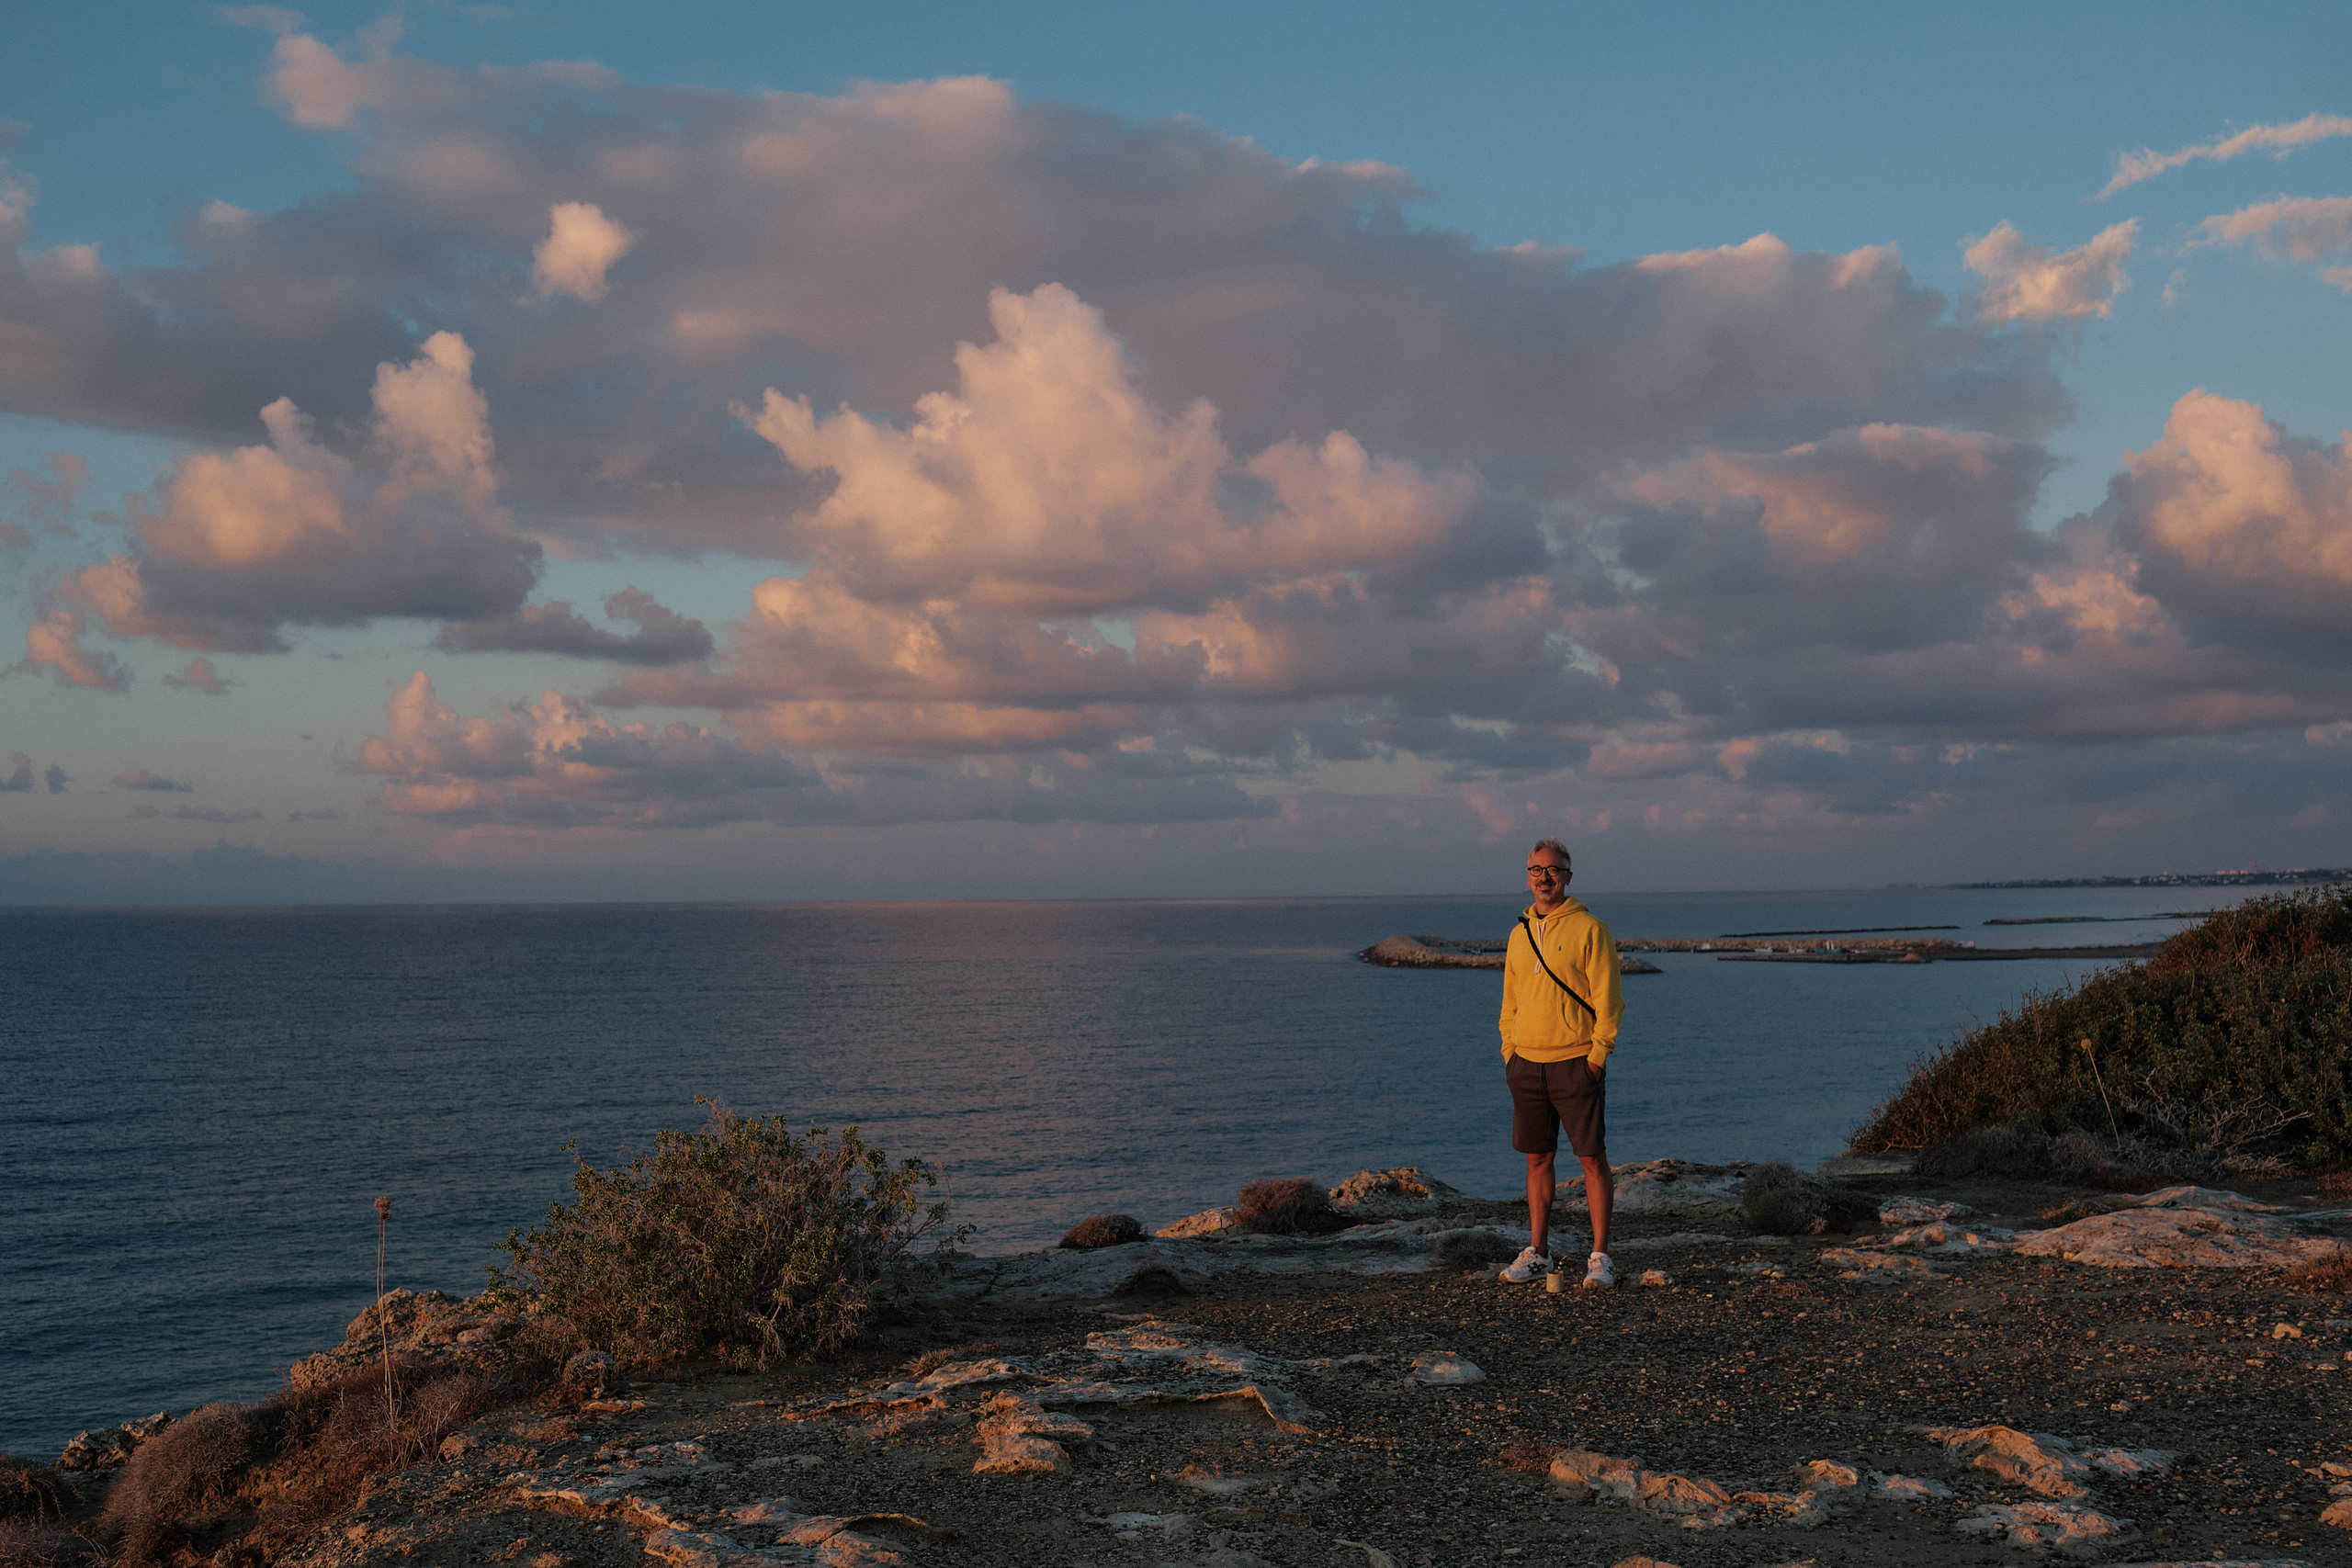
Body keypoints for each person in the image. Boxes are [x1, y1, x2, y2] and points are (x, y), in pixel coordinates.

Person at [1497, 836, 1623, 1288]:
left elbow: (1610, 1001)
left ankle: (1601, 1256)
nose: (1544, 877)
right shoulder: (1518, 934)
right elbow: (1510, 1001)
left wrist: (1596, 1057)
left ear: (1567, 876)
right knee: (1537, 1159)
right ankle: (1539, 1253)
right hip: (1527, 1065)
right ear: (1528, 876)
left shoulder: (1590, 930)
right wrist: (1510, 1052)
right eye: (1536, 870)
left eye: (1553, 869)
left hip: (1576, 1062)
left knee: (1592, 1159)